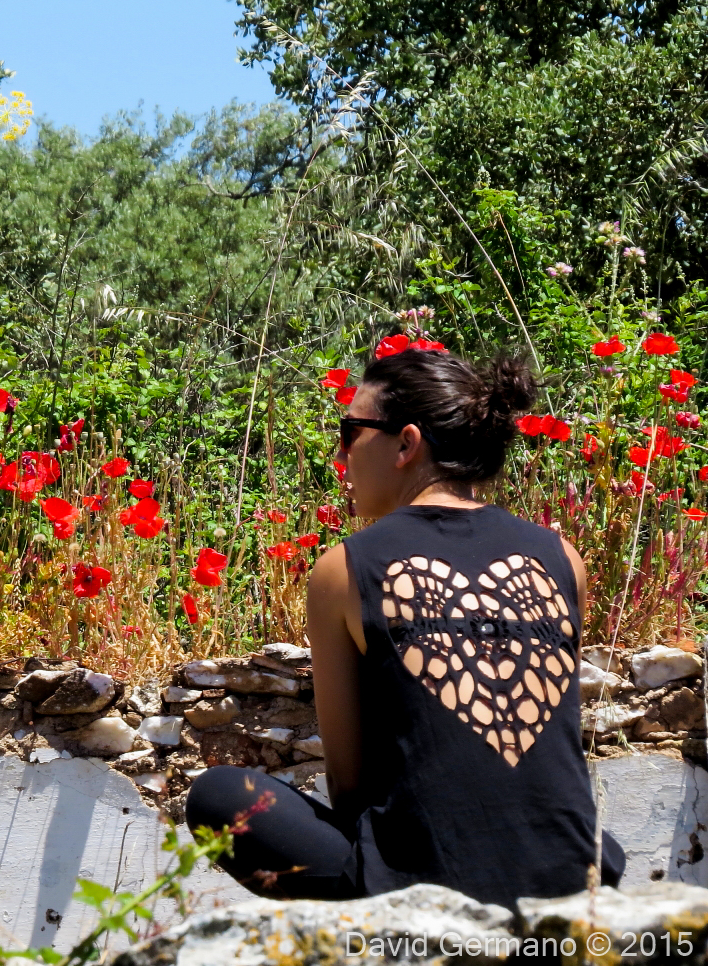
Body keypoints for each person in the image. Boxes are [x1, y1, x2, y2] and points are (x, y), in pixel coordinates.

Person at [185, 347, 624, 907]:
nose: (338, 453)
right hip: (569, 876)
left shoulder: (346, 569)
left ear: (407, 444)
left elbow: (350, 783)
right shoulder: (562, 557)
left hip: (429, 883)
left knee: (220, 795)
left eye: (350, 432)